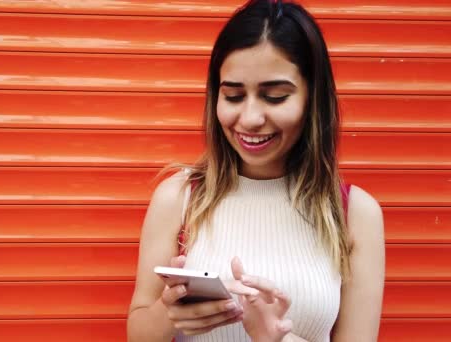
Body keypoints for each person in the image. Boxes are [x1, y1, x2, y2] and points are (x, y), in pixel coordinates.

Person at [126, 0, 385, 341]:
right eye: (233, 96)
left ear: (312, 99)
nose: (249, 119)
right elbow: (138, 333)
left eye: (275, 97)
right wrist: (168, 311)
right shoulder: (178, 197)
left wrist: (278, 338)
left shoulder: (355, 214)